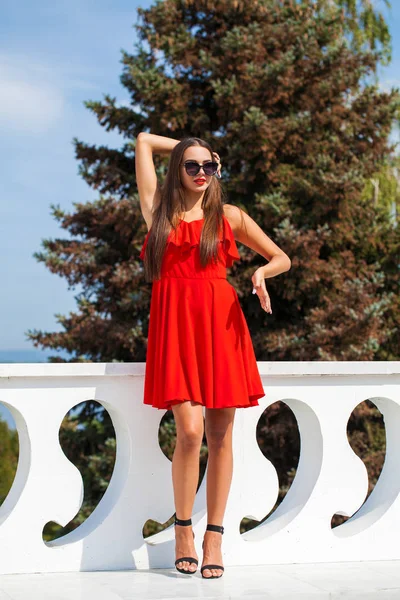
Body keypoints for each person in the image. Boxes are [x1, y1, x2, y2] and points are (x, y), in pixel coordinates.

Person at [135, 133, 291, 579]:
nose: (202, 173)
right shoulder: (158, 211)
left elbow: (281, 257)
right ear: (178, 168)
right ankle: (183, 529)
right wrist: (191, 145)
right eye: (192, 165)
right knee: (188, 430)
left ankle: (214, 536)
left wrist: (262, 271)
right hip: (177, 331)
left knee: (221, 436)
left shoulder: (229, 216)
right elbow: (144, 141)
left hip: (222, 329)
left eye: (209, 166)